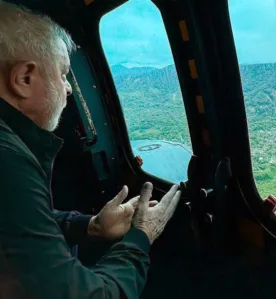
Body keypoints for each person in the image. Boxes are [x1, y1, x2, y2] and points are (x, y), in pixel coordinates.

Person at [0, 1, 181, 298]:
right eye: (62, 74)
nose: (69, 88)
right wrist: (141, 236)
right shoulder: (8, 161)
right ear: (24, 79)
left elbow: (20, 229)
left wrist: (91, 226)